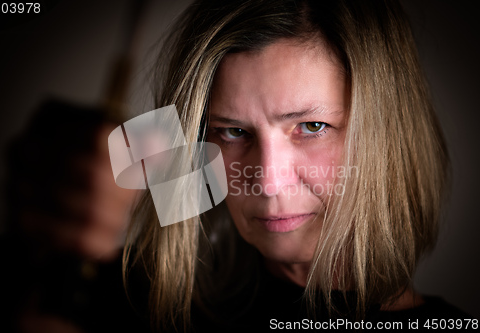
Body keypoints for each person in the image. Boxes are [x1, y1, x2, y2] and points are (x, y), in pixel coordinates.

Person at [123, 0, 476, 332]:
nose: (268, 183)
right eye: (233, 131)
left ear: (387, 135)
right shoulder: (146, 302)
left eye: (312, 127)